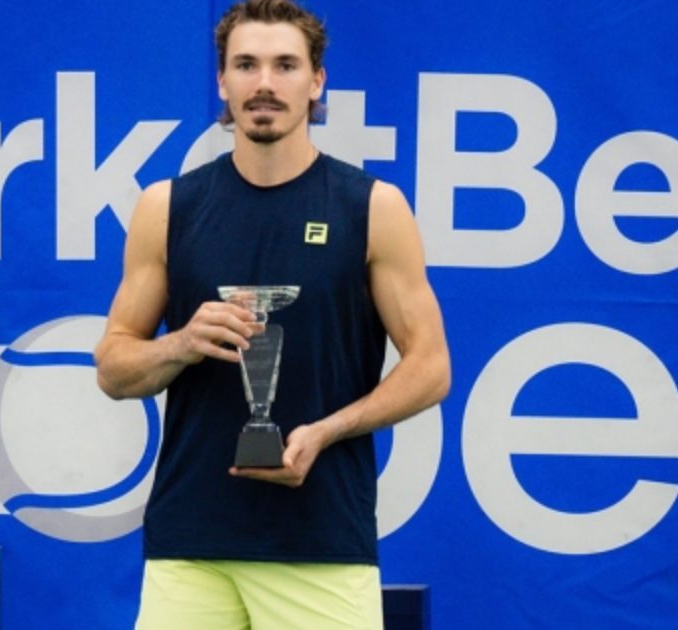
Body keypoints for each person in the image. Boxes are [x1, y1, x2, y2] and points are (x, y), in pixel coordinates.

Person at [95, 0, 450, 627]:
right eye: (246, 65)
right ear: (222, 83)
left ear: (317, 82)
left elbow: (431, 367)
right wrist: (179, 343)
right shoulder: (167, 207)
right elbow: (114, 368)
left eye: (285, 65)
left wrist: (327, 431)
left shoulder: (372, 207)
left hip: (321, 547)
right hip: (191, 545)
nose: (264, 83)